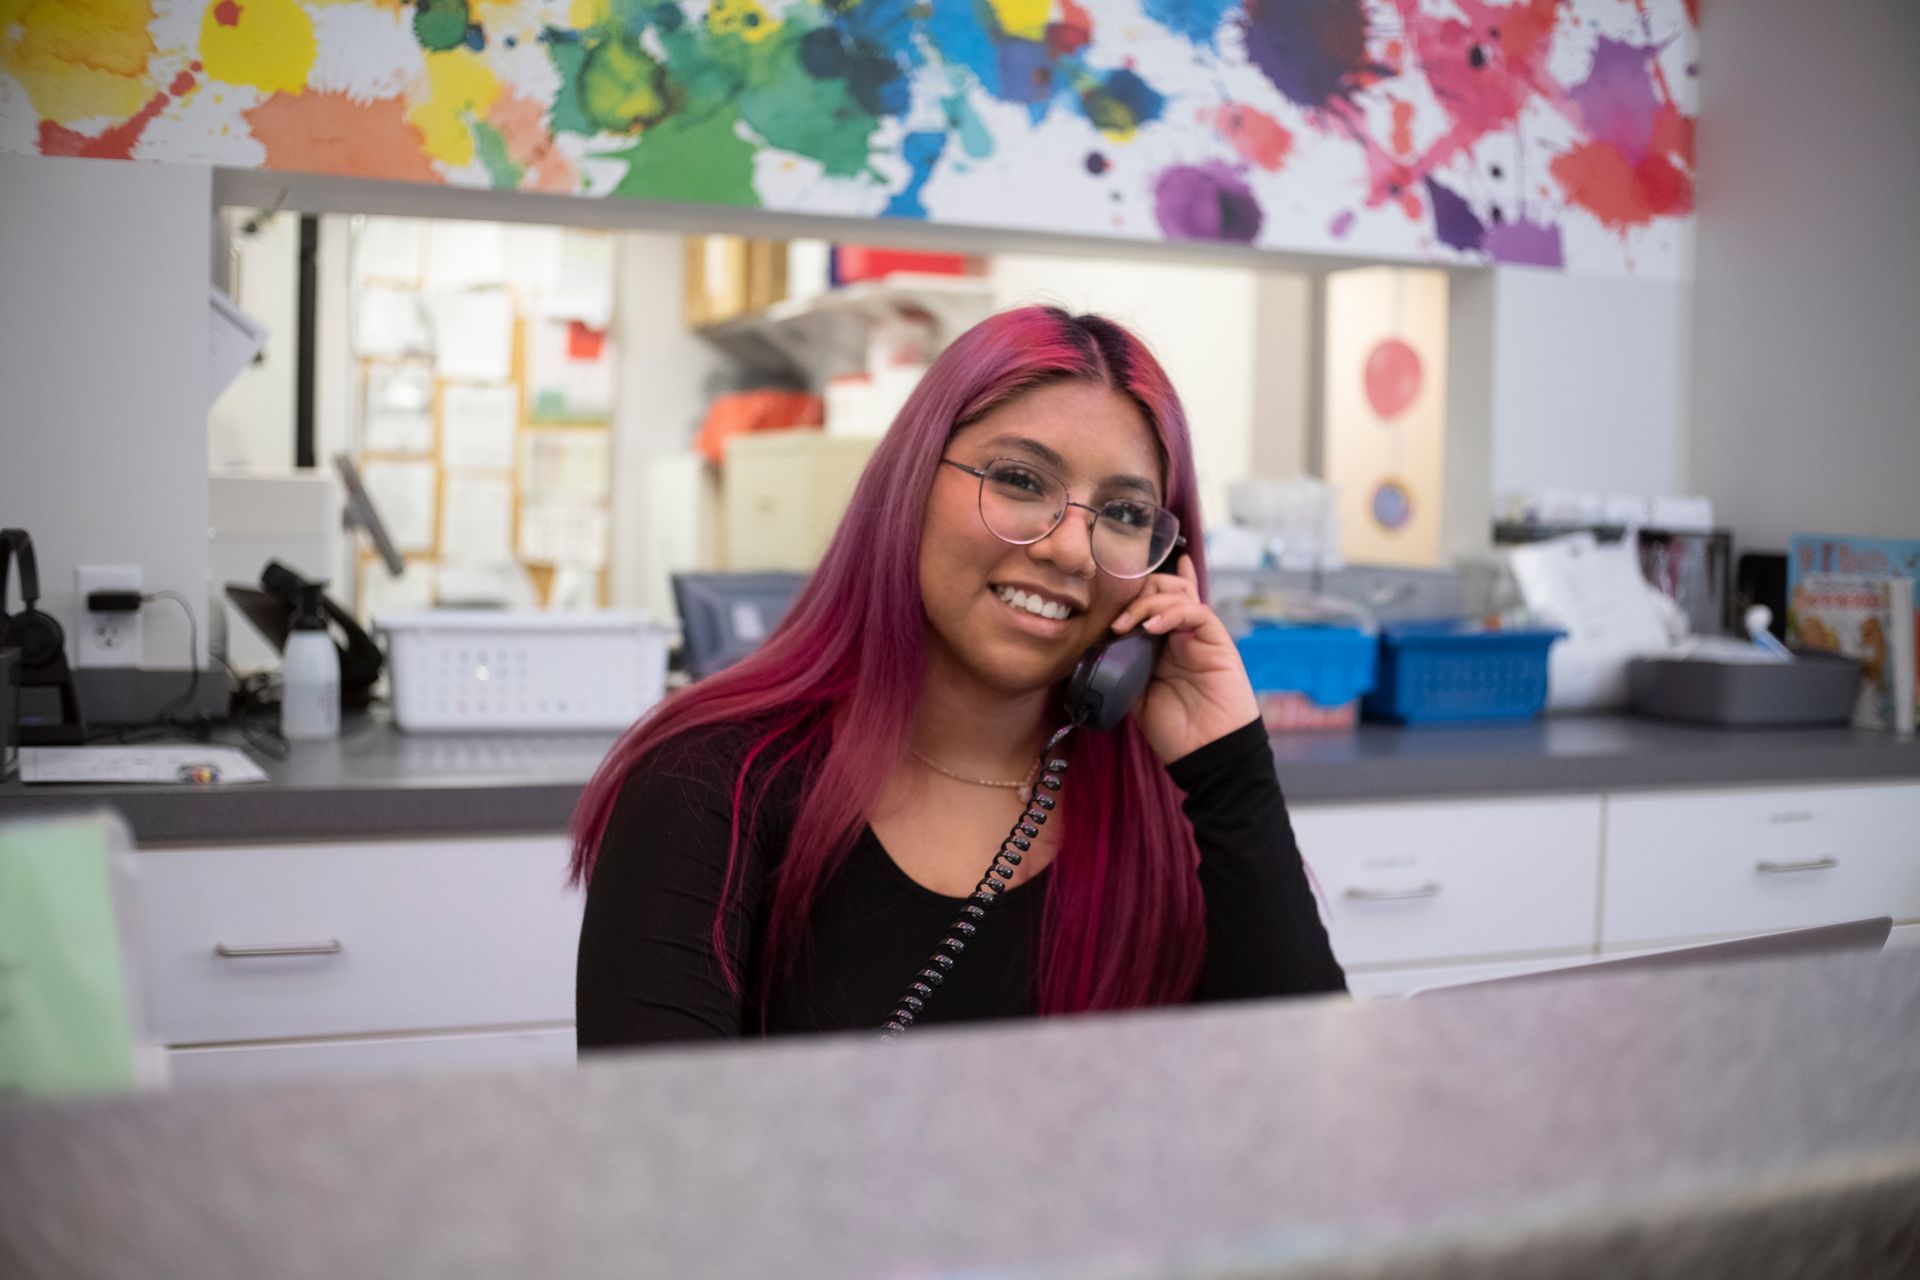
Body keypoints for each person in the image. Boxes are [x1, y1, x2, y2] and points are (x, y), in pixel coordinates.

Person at [573, 305, 1345, 1047]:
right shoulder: (709, 780)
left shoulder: (1167, 813)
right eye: (1019, 479)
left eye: (1123, 514)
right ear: (911, 485)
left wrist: (1232, 773)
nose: (1072, 549)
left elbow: (1304, 1098)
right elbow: (655, 1155)